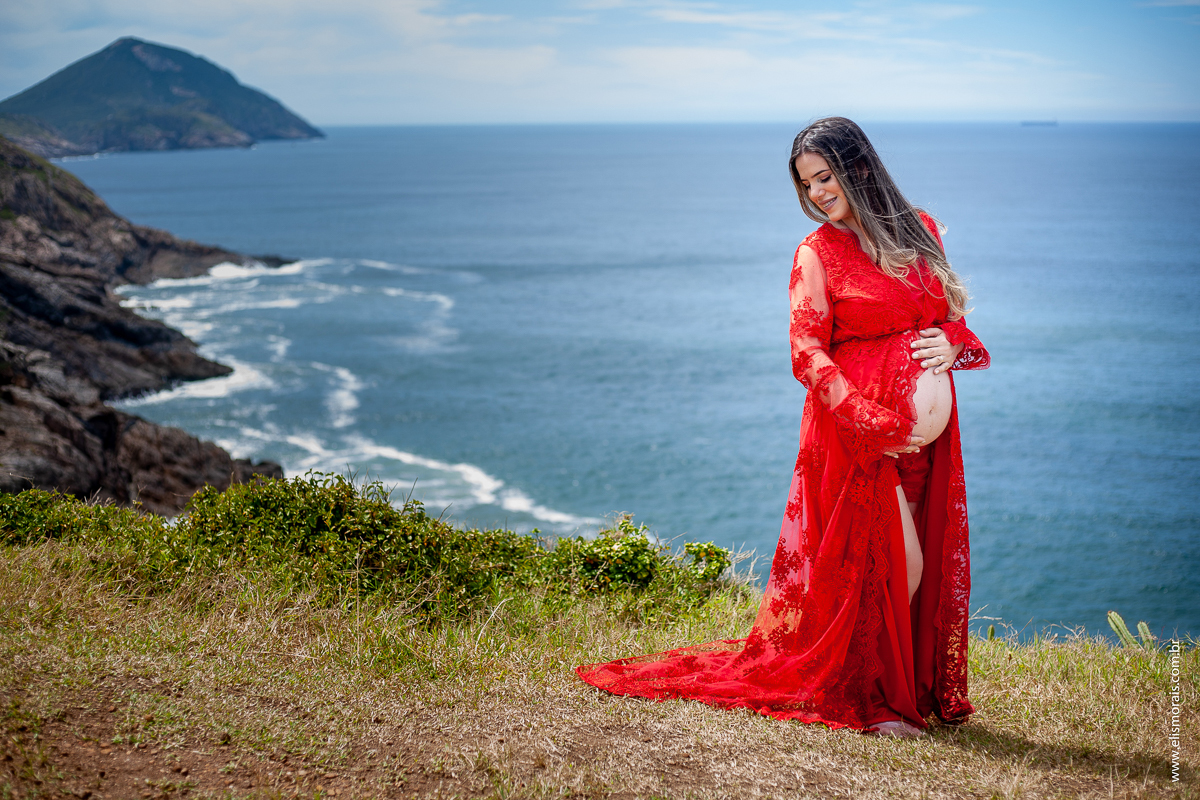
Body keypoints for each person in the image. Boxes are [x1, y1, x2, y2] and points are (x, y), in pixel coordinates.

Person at [576, 117, 990, 738]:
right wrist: (870, 419)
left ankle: (898, 687)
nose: (818, 192)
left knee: (920, 563)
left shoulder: (921, 230)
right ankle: (869, 699)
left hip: (924, 444)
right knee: (894, 564)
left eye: (826, 176)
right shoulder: (815, 254)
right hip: (857, 435)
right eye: (807, 183)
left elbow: (951, 315)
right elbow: (807, 352)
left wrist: (949, 341)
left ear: (861, 166)